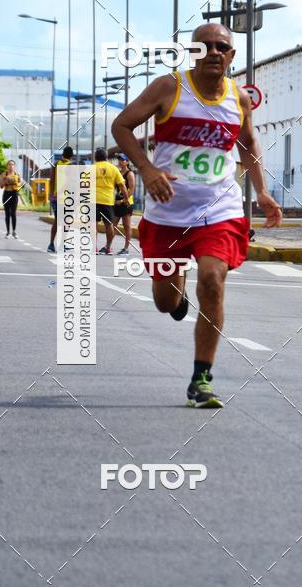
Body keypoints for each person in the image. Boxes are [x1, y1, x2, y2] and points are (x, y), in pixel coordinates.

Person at [112, 22, 281, 408]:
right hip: (168, 212)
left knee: (212, 279)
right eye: (205, 46)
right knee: (165, 302)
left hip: (219, 208)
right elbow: (121, 125)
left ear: (232, 56)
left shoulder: (238, 97)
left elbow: (249, 142)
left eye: (222, 46)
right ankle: (177, 298)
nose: (214, 52)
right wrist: (147, 169)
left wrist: (263, 192)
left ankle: (201, 377)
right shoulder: (169, 88)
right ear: (193, 53)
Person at [92, 148, 128, 255]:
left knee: (93, 224)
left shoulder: (90, 168)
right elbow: (122, 185)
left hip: (93, 200)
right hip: (107, 201)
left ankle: (94, 248)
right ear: (106, 157)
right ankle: (108, 247)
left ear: (96, 157)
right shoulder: (113, 168)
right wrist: (126, 198)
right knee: (109, 225)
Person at [48, 145, 73, 253]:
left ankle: (51, 244)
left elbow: (51, 180)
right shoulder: (71, 166)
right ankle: (63, 244)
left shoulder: (56, 164)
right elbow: (69, 182)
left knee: (57, 221)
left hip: (55, 197)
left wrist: (51, 194)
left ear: (63, 154)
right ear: (71, 156)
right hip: (66, 198)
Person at [113, 153, 136, 255]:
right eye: (119, 160)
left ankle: (126, 248)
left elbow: (131, 190)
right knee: (113, 225)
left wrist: (123, 200)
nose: (120, 161)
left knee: (127, 226)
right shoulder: (118, 173)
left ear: (127, 162)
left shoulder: (130, 174)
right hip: (117, 202)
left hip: (127, 203)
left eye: (122, 160)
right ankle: (108, 245)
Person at [0, 160, 22, 238]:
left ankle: (14, 232)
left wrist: (17, 184)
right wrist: (5, 181)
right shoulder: (4, 174)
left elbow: (20, 184)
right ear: (7, 166)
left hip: (14, 194)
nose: (11, 166)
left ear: (14, 166)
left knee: (13, 213)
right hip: (6, 194)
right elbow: (1, 186)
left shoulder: (17, 175)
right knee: (7, 213)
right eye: (9, 164)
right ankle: (8, 232)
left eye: (12, 164)